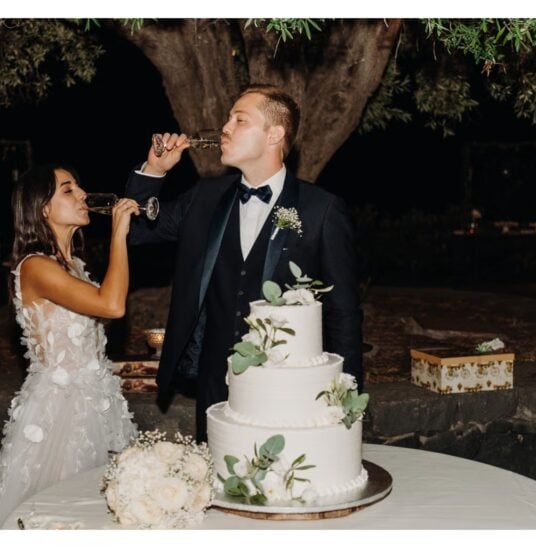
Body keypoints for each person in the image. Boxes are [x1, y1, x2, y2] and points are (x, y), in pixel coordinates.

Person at [126, 84, 363, 442]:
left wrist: (346, 395)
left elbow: (343, 313)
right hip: (213, 381)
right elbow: (136, 232)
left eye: (239, 120)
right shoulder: (204, 197)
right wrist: (154, 171)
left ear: (274, 134)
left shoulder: (321, 210)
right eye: (228, 119)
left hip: (285, 385)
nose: (225, 128)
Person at [0, 163, 138, 529]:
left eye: (79, 186)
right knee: (60, 512)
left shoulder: (73, 266)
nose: (83, 195)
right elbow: (112, 305)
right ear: (43, 208)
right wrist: (119, 234)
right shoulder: (35, 267)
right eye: (68, 189)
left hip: (99, 401)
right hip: (61, 410)